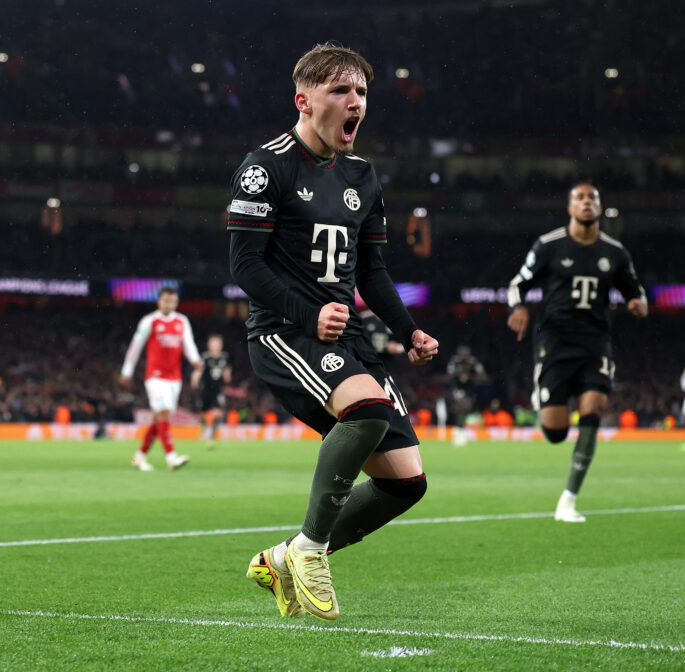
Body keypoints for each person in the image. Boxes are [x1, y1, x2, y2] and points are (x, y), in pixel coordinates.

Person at [228, 42, 439, 621]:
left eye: (362, 92)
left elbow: (372, 269)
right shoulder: (264, 165)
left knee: (406, 482)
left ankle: (286, 555)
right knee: (367, 411)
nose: (357, 103)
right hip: (283, 333)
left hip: (345, 338)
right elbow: (244, 265)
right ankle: (314, 552)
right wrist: (306, 314)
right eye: (342, 91)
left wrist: (408, 331)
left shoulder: (363, 177)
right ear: (304, 100)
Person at [506, 183, 648, 523]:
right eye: (580, 198)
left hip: (595, 342)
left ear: (599, 207)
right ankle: (549, 397)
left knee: (593, 410)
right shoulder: (548, 245)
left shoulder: (615, 252)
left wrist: (638, 303)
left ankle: (568, 500)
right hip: (554, 342)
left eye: (593, 198)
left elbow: (636, 290)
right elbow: (517, 284)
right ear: (570, 207)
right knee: (555, 432)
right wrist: (519, 306)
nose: (587, 203)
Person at [120, 287, 203, 471]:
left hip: (174, 377)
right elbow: (136, 347)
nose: (169, 304)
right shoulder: (150, 321)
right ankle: (171, 457)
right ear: (159, 301)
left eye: (173, 301)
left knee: (160, 418)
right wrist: (127, 371)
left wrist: (196, 360)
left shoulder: (182, 321)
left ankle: (140, 456)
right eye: (166, 300)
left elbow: (188, 344)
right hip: (155, 376)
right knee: (163, 413)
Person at [191, 333, 232, 444]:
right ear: (209, 345)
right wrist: (195, 378)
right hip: (205, 389)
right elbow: (198, 370)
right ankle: (203, 431)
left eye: (217, 343)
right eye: (213, 343)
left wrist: (228, 375)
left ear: (221, 345)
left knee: (218, 412)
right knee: (204, 411)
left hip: (218, 389)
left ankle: (212, 435)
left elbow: (228, 369)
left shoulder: (225, 357)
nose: (215, 345)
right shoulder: (205, 357)